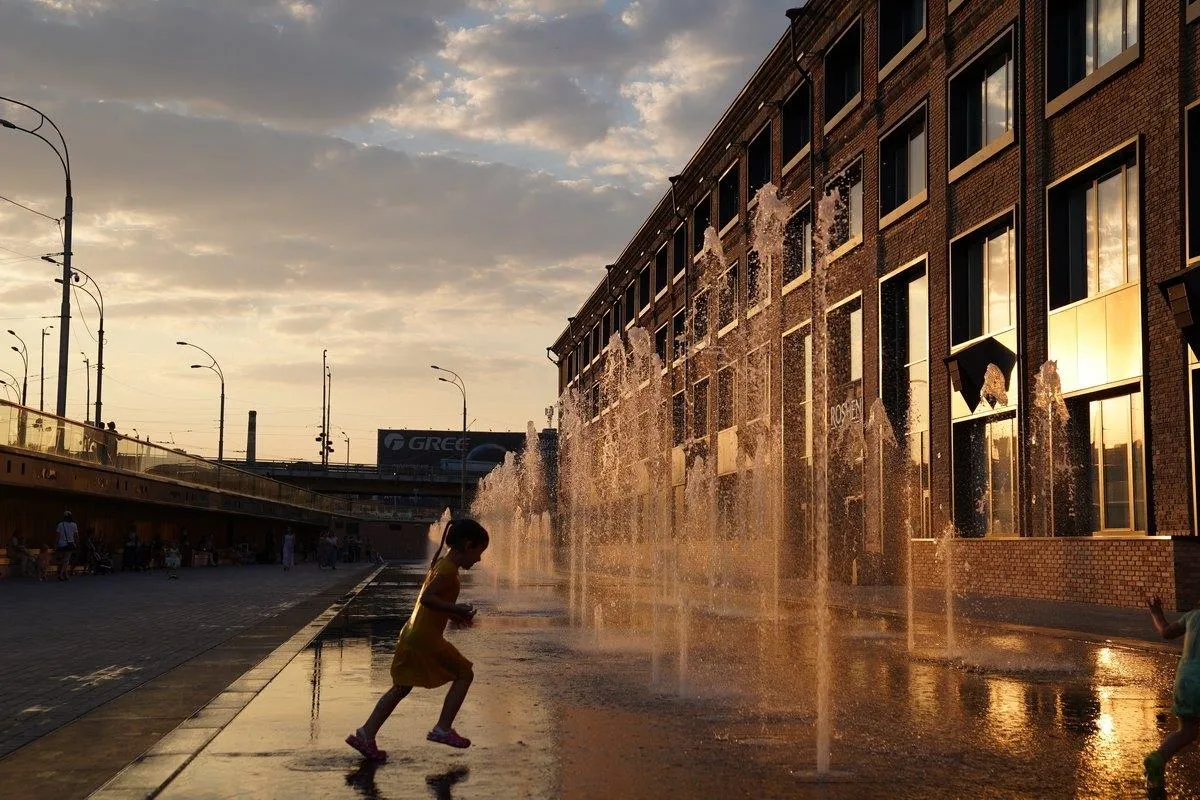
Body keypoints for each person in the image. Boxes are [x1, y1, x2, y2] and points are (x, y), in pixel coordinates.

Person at [346, 518, 489, 761]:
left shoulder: (442, 565)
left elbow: (433, 604)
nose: (479, 559)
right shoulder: (447, 569)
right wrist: (456, 608)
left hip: (414, 634)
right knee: (465, 673)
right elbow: (427, 599)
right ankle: (443, 728)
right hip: (425, 639)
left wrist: (456, 615)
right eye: (478, 552)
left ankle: (365, 733)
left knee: (401, 687)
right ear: (467, 545)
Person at [1145, 594, 1200, 792]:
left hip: (1184, 681)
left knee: (1187, 731)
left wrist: (1156, 612)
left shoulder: (1192, 616)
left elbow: (1166, 632)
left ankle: (1157, 758)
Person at [54, 510, 78, 581]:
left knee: (63, 560)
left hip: (61, 544)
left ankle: (65, 574)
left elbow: (57, 536)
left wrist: (55, 544)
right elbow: (76, 536)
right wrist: (77, 543)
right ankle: (61, 574)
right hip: (70, 544)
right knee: (66, 560)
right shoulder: (74, 525)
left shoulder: (60, 525)